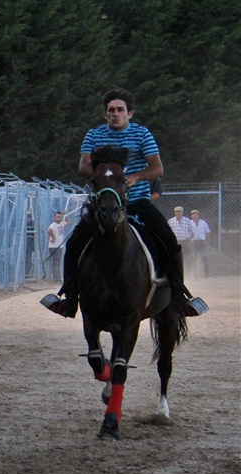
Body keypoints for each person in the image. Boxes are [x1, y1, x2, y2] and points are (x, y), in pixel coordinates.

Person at [41, 88, 207, 318]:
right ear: (105, 114)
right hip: (102, 204)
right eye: (111, 110)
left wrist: (136, 176)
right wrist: (105, 178)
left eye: (120, 110)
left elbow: (157, 168)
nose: (115, 114)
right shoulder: (94, 135)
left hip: (136, 201)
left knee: (169, 239)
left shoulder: (142, 135)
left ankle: (179, 296)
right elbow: (83, 166)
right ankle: (70, 298)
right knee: (74, 241)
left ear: (130, 113)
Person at [167, 206, 194, 270]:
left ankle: (188, 270)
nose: (178, 213)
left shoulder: (187, 220)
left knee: (187, 256)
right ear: (174, 212)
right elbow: (168, 232)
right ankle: (176, 270)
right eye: (177, 211)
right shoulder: (171, 221)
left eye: (180, 211)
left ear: (182, 212)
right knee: (175, 256)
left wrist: (191, 239)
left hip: (185, 241)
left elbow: (192, 231)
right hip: (175, 242)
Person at [47, 210, 69, 283]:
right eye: (57, 217)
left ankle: (57, 278)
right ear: (55, 217)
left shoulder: (61, 224)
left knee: (57, 262)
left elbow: (69, 222)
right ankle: (56, 279)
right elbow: (49, 230)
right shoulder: (53, 224)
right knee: (56, 262)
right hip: (54, 246)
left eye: (60, 217)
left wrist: (65, 215)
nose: (59, 218)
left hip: (59, 246)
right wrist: (53, 237)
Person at [190, 209, 211, 277]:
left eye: (196, 214)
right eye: (193, 214)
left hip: (202, 242)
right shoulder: (189, 223)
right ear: (191, 216)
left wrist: (206, 240)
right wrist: (190, 240)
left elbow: (208, 232)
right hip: (194, 242)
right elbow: (188, 233)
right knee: (193, 258)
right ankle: (194, 274)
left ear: (198, 215)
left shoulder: (203, 223)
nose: (195, 215)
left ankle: (206, 274)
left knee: (205, 258)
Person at [25, 212, 35, 277]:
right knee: (26, 259)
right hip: (25, 243)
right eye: (28, 217)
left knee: (28, 259)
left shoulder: (33, 223)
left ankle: (26, 274)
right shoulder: (23, 223)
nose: (29, 218)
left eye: (30, 217)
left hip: (29, 244)